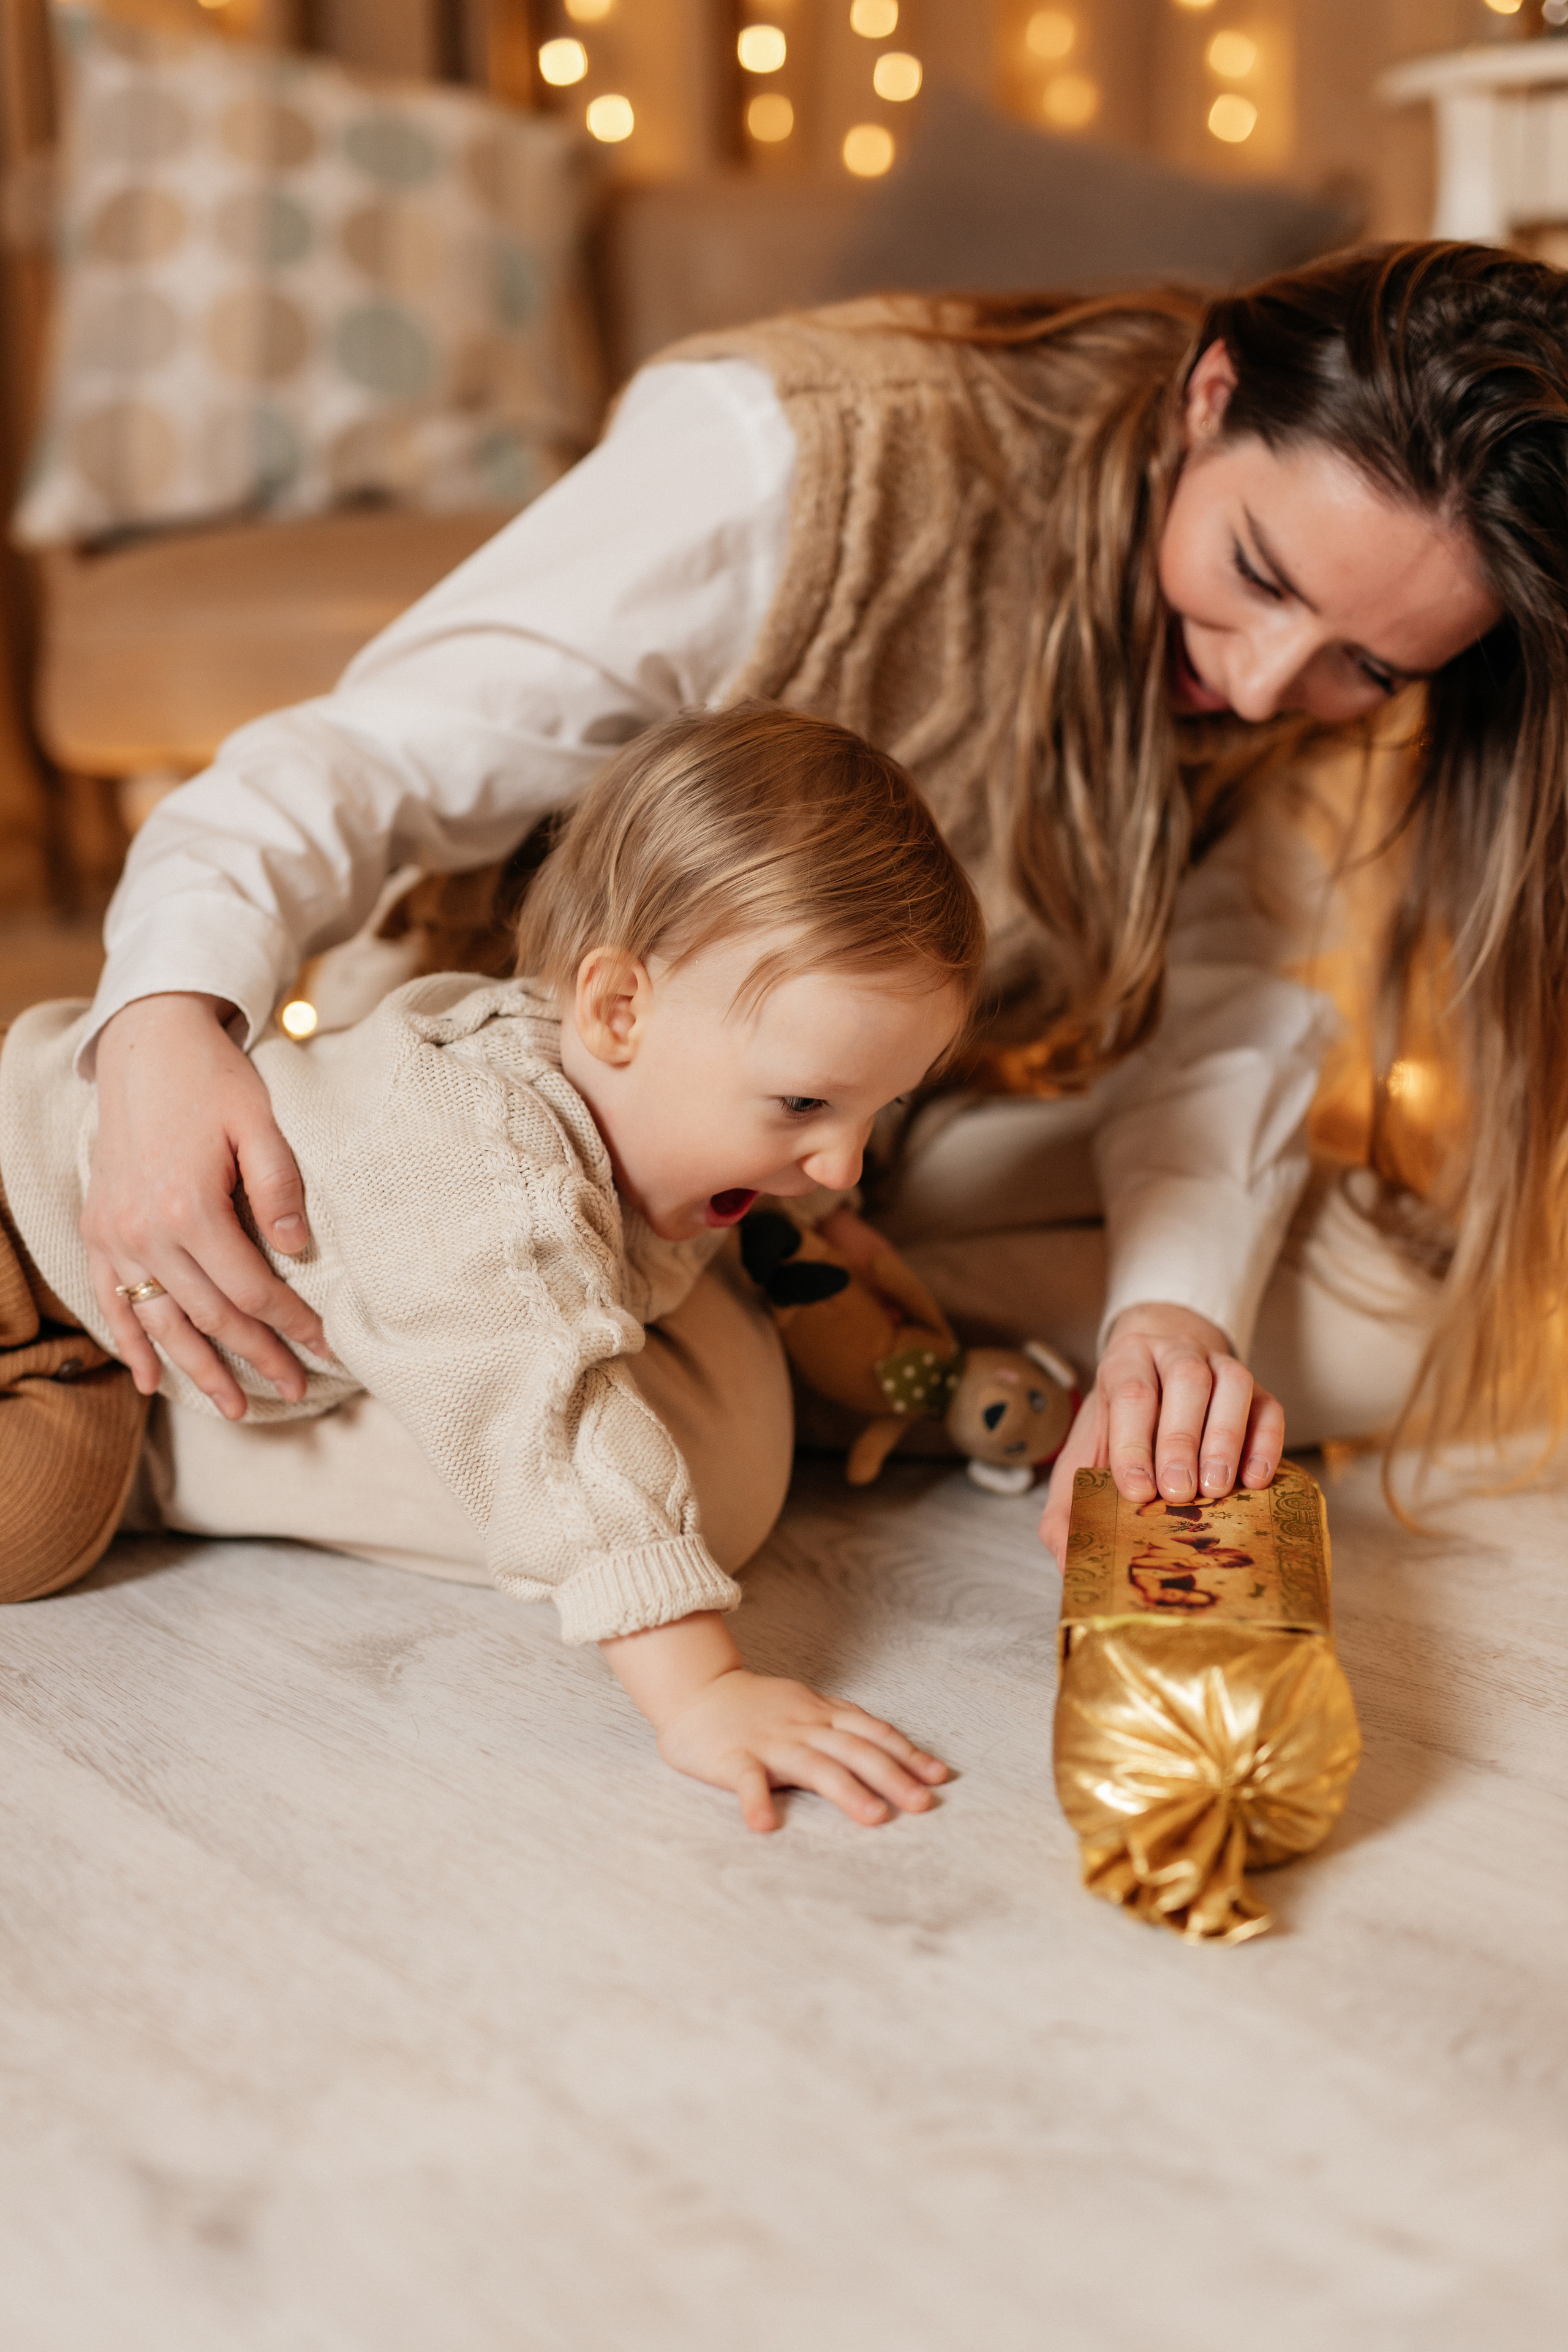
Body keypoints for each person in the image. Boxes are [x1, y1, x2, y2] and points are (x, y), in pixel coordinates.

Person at [71, 241, 1550, 1572]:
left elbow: (1227, 1030)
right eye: (1252, 576)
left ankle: (811, 1345)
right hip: (558, 1121)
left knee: (1397, 1292)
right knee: (706, 1491)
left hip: (863, 1142)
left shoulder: (1279, 676)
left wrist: (1168, 1327)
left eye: (1370, 667)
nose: (1264, 687)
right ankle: (151, 1430)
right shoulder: (800, 458)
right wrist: (157, 1026)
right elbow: (362, 763)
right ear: (1209, 393)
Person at [0, 704, 983, 1832]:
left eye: (876, 1109)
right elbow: (554, 1426)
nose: (838, 1159)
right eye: (805, 1104)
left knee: (34, 1536)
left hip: (118, 1349)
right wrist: (702, 1689)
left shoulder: (666, 1116)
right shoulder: (481, 1151)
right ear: (619, 1010)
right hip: (24, 1211)